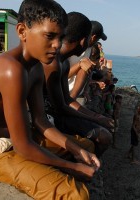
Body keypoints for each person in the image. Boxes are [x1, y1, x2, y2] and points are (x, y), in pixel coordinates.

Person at [0, 1, 99, 199]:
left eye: (61, 37)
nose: (57, 45)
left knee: (86, 148)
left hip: (21, 139)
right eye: (49, 36)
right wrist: (72, 166)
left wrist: (76, 151)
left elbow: (40, 121)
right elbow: (23, 146)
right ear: (22, 31)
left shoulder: (36, 68)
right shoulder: (11, 70)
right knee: (76, 194)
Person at [43, 12, 113, 156]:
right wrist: (95, 118)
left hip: (57, 113)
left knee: (103, 130)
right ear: (83, 41)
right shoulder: (54, 63)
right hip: (48, 118)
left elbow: (67, 100)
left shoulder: (63, 62)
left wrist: (97, 117)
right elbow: (61, 107)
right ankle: (87, 171)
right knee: (104, 137)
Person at [68, 20, 107, 101]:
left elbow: (86, 71)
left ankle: (72, 99)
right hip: (63, 89)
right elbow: (60, 75)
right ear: (93, 37)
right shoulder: (70, 46)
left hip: (76, 93)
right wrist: (80, 64)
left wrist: (85, 90)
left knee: (86, 66)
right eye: (97, 39)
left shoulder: (88, 49)